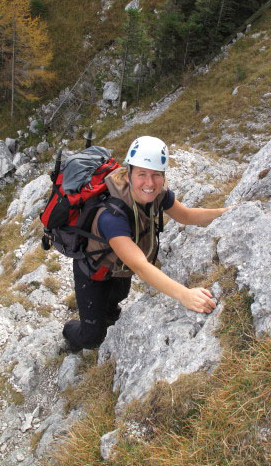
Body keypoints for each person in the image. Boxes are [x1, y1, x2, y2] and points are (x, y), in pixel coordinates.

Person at [62, 136, 231, 351]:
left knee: (114, 306)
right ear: (129, 173)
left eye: (156, 175)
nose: (149, 183)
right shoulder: (111, 216)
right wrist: (185, 295)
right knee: (92, 337)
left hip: (119, 269)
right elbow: (140, 266)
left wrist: (224, 213)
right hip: (94, 272)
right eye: (142, 174)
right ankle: (68, 332)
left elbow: (187, 215)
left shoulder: (157, 195)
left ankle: (105, 317)